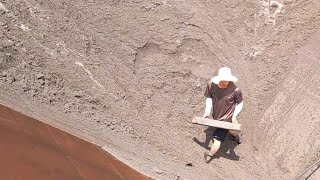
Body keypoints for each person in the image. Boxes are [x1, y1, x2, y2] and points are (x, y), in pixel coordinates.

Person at [203, 67, 244, 163]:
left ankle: (209, 155)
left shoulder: (235, 90)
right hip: (216, 115)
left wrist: (234, 116)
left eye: (228, 80)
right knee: (231, 130)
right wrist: (207, 111)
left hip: (227, 119)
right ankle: (236, 137)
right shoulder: (211, 85)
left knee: (217, 138)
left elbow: (240, 103)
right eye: (224, 80)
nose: (226, 82)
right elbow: (209, 98)